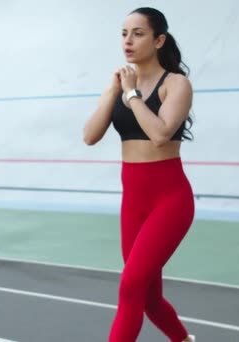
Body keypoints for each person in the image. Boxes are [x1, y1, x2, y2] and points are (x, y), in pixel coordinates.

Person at [82, 6, 196, 342]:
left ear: (159, 40)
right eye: (124, 33)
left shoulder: (175, 84)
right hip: (133, 201)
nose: (128, 41)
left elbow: (161, 135)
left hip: (170, 200)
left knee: (130, 287)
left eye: (138, 33)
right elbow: (89, 136)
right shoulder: (119, 84)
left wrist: (132, 95)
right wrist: (114, 91)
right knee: (148, 297)